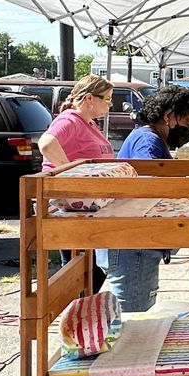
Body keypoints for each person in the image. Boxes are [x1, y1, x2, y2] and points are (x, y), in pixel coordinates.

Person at [109, 84, 189, 312]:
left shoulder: (148, 138)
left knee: (136, 311)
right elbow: (151, 187)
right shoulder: (148, 142)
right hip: (134, 244)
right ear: (169, 115)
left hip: (135, 243)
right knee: (134, 319)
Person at [37, 74, 116, 292]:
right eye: (107, 99)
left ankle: (80, 314)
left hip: (86, 207)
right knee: (80, 272)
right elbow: (46, 144)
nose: (111, 104)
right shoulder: (69, 119)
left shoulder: (88, 123)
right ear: (89, 98)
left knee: (92, 269)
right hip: (70, 207)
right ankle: (76, 317)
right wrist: (72, 174)